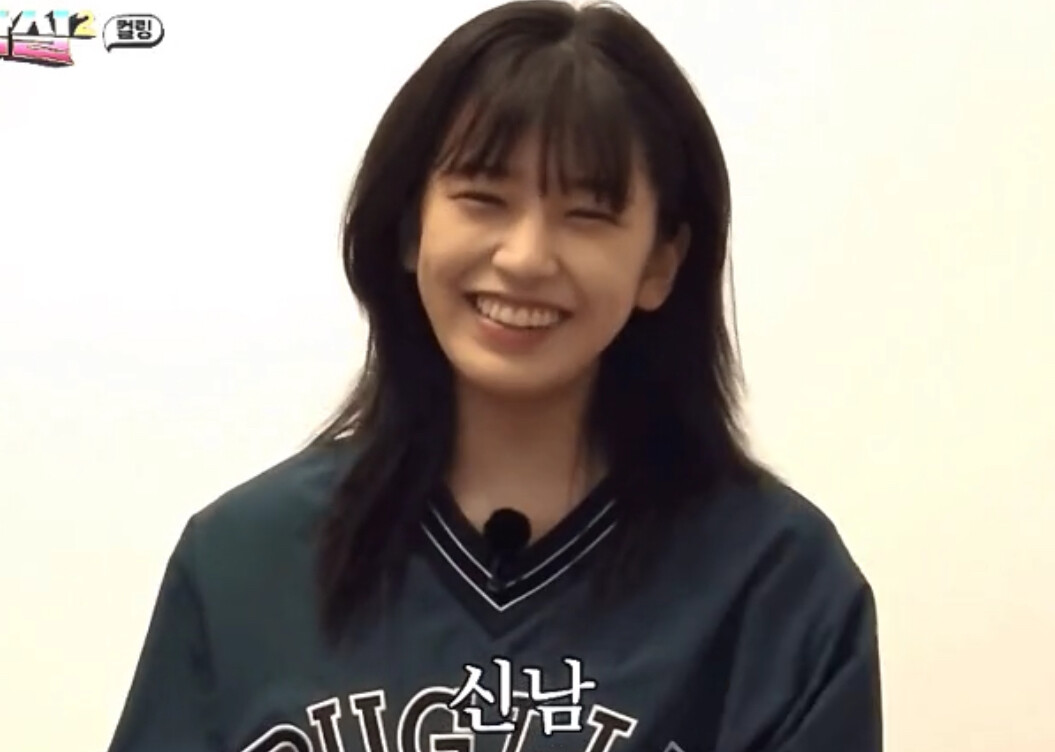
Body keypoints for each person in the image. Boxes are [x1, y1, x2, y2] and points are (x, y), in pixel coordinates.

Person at [106, 2, 883, 751]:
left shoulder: (777, 586)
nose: (525, 257)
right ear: (410, 227)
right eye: (482, 199)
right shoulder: (243, 561)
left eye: (587, 214)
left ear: (659, 262)